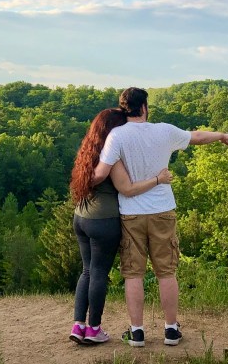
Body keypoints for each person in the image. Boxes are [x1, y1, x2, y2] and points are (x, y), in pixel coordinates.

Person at [93, 87, 228, 347]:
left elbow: (102, 172)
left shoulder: (116, 136)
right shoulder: (164, 131)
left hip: (131, 214)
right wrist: (222, 135)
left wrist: (80, 181)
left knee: (133, 274)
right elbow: (197, 136)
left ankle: (137, 332)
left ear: (124, 108)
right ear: (144, 107)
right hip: (162, 211)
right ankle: (170, 330)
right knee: (166, 272)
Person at [68, 107, 173, 345]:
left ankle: (78, 325)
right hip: (104, 219)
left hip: (81, 216)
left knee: (86, 271)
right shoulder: (111, 156)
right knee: (98, 273)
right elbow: (127, 188)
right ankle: (94, 329)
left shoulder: (87, 152)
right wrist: (159, 179)